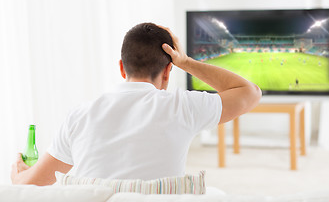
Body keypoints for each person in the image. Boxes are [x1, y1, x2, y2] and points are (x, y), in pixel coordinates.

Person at [11, 23, 261, 185]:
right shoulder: (183, 106)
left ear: (121, 67)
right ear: (167, 71)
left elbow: (32, 184)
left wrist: (17, 175)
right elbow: (250, 93)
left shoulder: (80, 115)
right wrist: (185, 62)